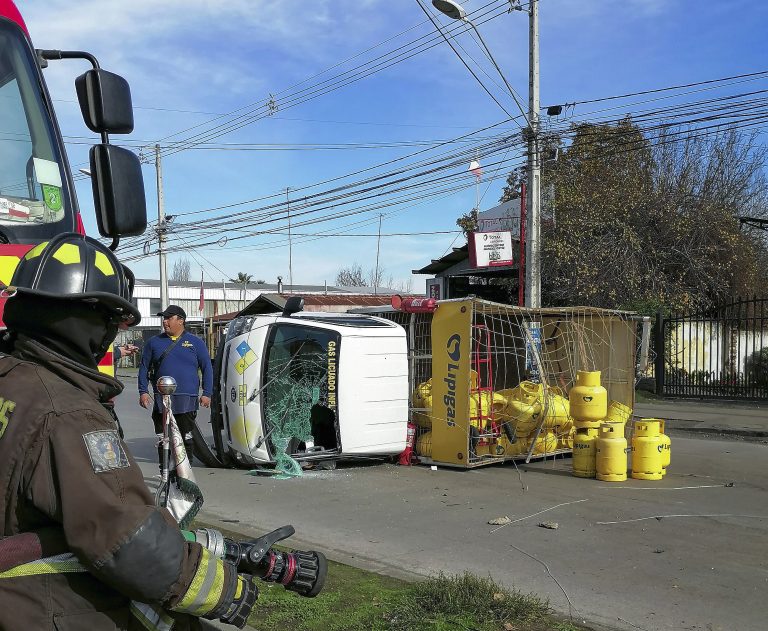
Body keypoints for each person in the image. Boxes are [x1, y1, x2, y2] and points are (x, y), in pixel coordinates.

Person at [0, 234, 256, 630]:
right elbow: (125, 536)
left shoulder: (11, 378)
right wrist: (223, 591)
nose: (111, 334)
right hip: (39, 603)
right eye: (110, 321)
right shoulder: (68, 413)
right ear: (85, 318)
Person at [138, 305, 212, 465]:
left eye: (168, 318)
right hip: (161, 400)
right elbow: (144, 367)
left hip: (187, 398)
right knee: (163, 437)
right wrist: (143, 391)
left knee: (185, 436)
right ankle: (165, 471)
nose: (165, 321)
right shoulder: (153, 343)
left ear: (181, 321)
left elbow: (207, 368)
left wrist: (207, 393)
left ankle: (185, 470)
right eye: (164, 318)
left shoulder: (195, 343)